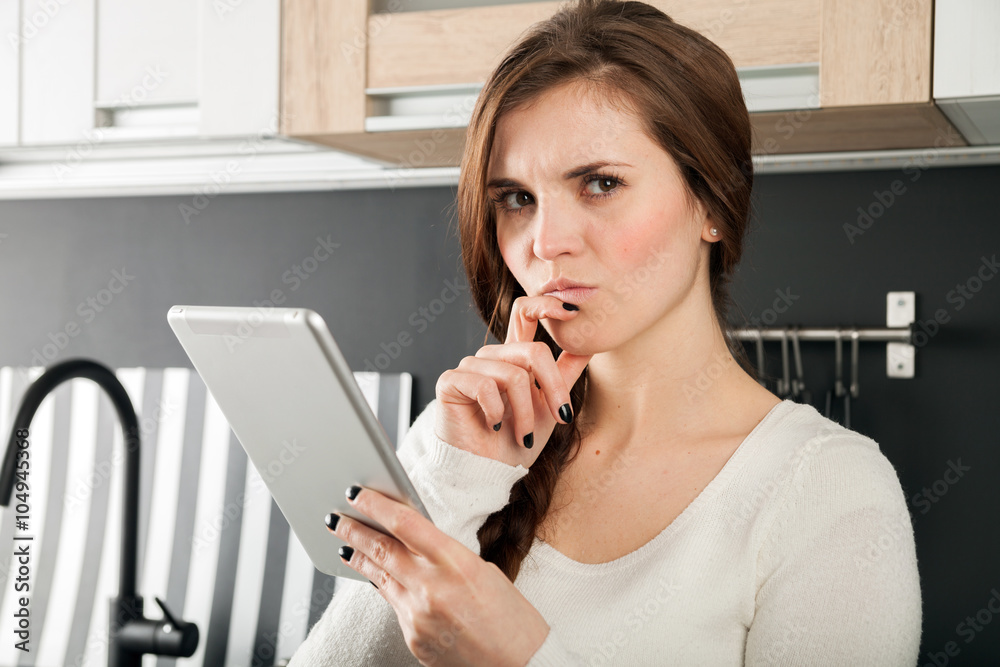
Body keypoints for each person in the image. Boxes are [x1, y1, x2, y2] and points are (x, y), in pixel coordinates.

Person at [286, 1, 922, 664]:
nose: (545, 243)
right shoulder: (458, 439)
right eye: (516, 198)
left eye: (599, 183)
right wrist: (454, 481)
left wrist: (522, 655)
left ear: (711, 202)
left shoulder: (830, 492)